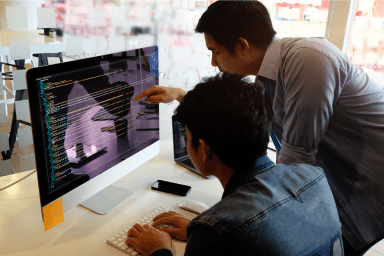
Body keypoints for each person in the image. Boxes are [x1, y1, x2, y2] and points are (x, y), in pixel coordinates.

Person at [132, 1, 384, 255]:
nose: (213, 62)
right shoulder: (268, 77)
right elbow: (240, 116)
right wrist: (181, 95)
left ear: (242, 46)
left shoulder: (307, 60)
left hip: (365, 194)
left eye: (216, 52)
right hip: (334, 192)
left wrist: (221, 226)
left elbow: (294, 169)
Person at [126, 73, 343, 256]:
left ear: (203, 150)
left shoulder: (214, 232)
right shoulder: (313, 176)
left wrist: (160, 251)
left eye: (187, 136)